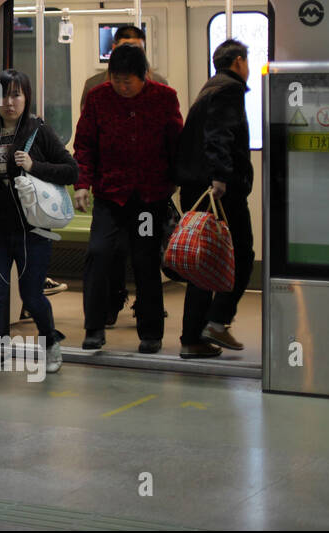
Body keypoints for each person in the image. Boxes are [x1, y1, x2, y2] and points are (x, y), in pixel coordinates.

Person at [0, 69, 77, 386]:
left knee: (31, 296)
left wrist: (34, 166)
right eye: (2, 95)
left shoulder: (39, 132)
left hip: (33, 230)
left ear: (26, 97)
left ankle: (50, 341)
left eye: (16, 94)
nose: (9, 102)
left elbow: (71, 171)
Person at [74, 44, 183, 352]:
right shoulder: (98, 99)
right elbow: (84, 145)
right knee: (98, 254)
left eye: (128, 81)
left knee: (145, 260)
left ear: (144, 76)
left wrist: (176, 183)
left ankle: (151, 333)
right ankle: (94, 327)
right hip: (110, 195)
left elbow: (177, 143)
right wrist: (83, 183)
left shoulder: (164, 98)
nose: (122, 87)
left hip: (149, 197)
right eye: (116, 80)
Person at [174, 39, 254, 358]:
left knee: (202, 261)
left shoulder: (209, 88)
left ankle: (192, 338)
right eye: (246, 62)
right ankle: (218, 320)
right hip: (220, 191)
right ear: (238, 61)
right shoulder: (229, 90)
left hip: (196, 187)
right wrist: (221, 177)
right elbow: (218, 135)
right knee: (243, 255)